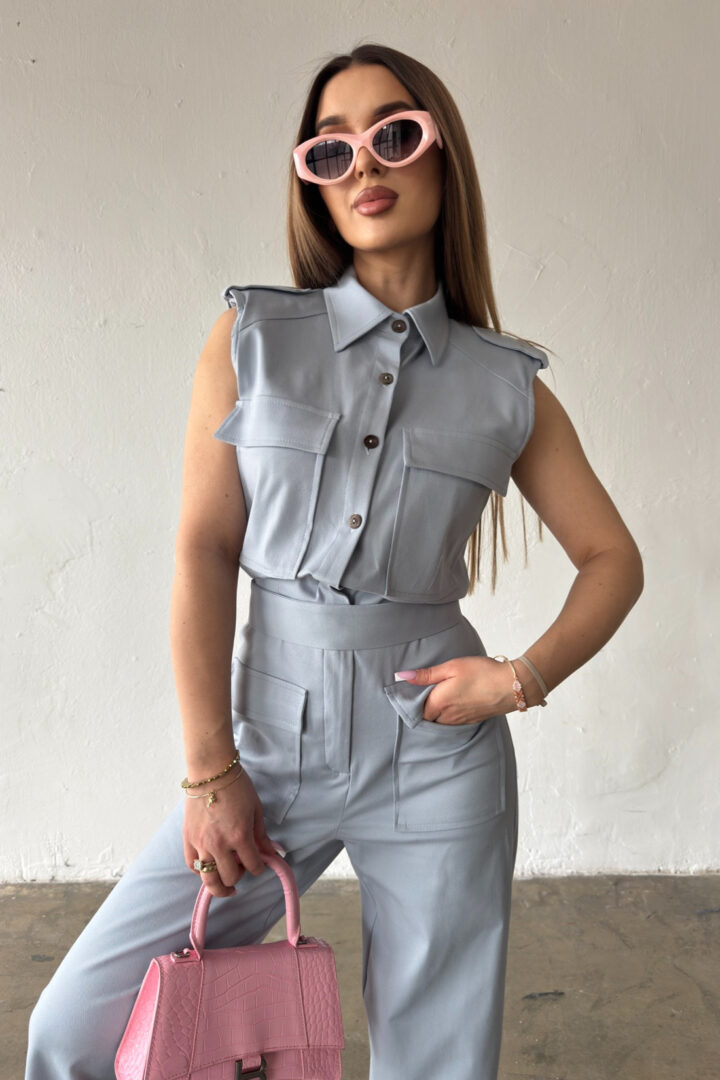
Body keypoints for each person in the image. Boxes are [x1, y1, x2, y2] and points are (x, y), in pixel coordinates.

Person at [25, 42, 644, 1080]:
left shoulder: (507, 386)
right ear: (311, 180)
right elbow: (204, 549)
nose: (364, 165)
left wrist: (520, 678)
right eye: (331, 149)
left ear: (443, 156)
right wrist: (209, 768)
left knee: (438, 1065)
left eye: (394, 135)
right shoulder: (251, 338)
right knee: (75, 1030)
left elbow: (612, 557)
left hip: (439, 754)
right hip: (268, 744)